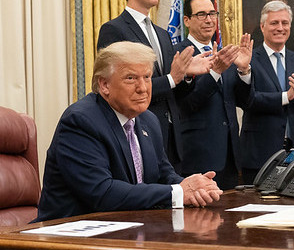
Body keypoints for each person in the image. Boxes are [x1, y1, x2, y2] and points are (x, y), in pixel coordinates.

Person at [37, 41, 222, 221]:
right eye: (131, 78)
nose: (142, 88)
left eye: (147, 77)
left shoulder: (148, 120)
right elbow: (102, 193)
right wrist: (179, 192)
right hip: (70, 237)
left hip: (129, 229)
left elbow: (164, 174)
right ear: (104, 85)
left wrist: (195, 187)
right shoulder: (81, 122)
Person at [97, 0, 211, 171]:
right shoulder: (114, 30)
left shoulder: (163, 35)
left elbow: (174, 93)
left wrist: (186, 76)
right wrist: (171, 78)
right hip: (136, 135)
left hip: (170, 141)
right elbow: (119, 89)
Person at [174, 0, 253, 189]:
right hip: (197, 155)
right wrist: (215, 72)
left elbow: (245, 102)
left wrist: (244, 70)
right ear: (187, 20)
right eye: (201, 14)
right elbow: (186, 103)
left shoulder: (224, 53)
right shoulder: (178, 53)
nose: (209, 20)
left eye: (212, 13)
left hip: (230, 156)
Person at [239, 0, 294, 184]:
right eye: (274, 23)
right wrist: (287, 96)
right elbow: (248, 100)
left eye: (285, 23)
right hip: (260, 153)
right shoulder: (248, 60)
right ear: (262, 26)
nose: (280, 28)